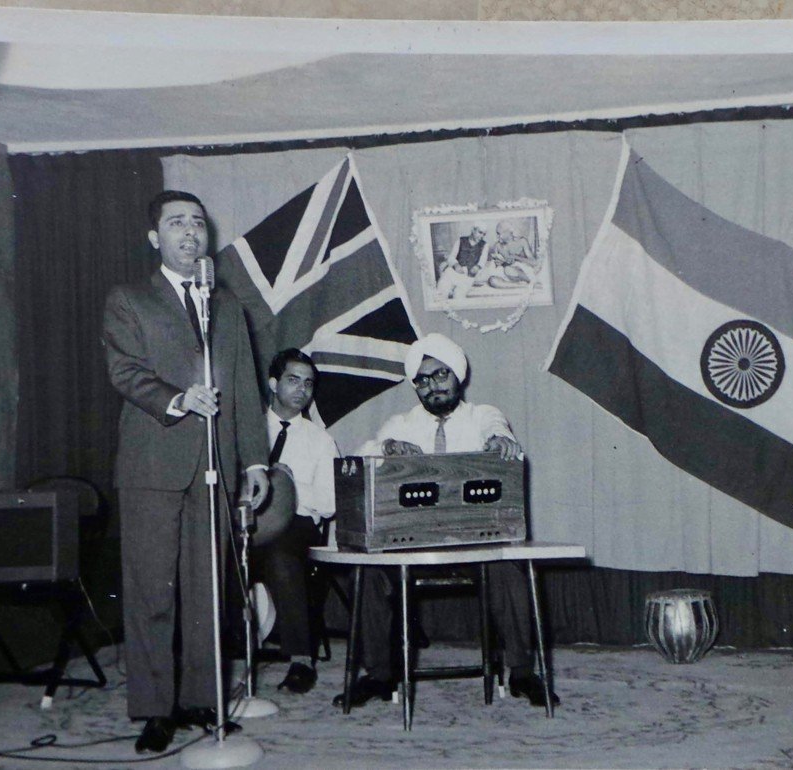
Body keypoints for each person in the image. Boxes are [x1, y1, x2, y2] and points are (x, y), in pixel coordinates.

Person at [103, 190, 270, 754]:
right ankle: (155, 709)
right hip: (153, 463)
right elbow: (125, 372)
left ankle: (203, 698)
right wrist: (178, 400)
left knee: (209, 593)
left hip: (216, 466)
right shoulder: (129, 300)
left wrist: (254, 461)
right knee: (152, 591)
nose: (190, 232)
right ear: (155, 238)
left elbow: (246, 390)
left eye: (198, 223)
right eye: (176, 223)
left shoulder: (227, 307)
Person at [335, 332, 558, 709]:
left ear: (458, 375)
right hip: (409, 546)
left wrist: (499, 442)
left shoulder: (481, 414)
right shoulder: (401, 422)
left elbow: (497, 429)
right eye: (422, 380)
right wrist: (387, 447)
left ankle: (521, 673)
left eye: (440, 375)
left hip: (475, 544)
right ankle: (378, 676)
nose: (432, 386)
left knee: (509, 568)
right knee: (367, 573)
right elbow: (365, 452)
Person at [251, 348, 340, 695]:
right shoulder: (249, 429)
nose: (302, 390)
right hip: (246, 523)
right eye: (293, 380)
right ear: (273, 384)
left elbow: (329, 504)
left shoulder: (321, 440)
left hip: (297, 527)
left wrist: (286, 487)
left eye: (308, 383)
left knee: (282, 555)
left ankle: (301, 660)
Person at [435, 223, 490, 301]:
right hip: (455, 271)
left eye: (484, 234)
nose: (481, 236)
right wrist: (456, 265)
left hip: (468, 274)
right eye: (480, 232)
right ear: (473, 230)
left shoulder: (485, 245)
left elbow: (482, 261)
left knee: (459, 294)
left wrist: (477, 267)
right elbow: (451, 257)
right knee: (442, 288)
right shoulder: (460, 240)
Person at [485, 219, 540, 288]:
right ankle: (518, 285)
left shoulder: (522, 241)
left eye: (499, 234)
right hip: (506, 275)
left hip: (521, 272)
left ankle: (531, 281)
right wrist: (498, 263)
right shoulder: (497, 245)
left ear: (508, 232)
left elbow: (534, 262)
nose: (498, 237)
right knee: (492, 280)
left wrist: (516, 257)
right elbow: (495, 264)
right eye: (497, 234)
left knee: (508, 270)